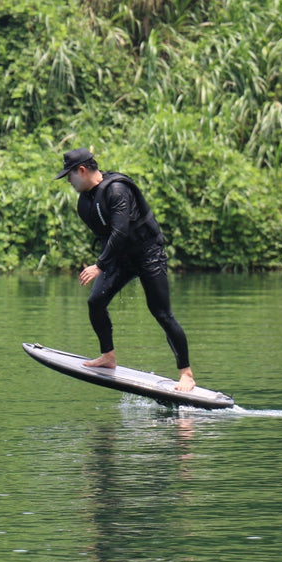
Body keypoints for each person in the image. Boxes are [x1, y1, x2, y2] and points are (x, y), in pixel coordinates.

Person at [54, 147, 196, 392]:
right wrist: (107, 263)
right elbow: (107, 238)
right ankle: (108, 357)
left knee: (162, 313)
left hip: (147, 254)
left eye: (70, 175)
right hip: (121, 258)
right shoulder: (84, 203)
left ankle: (187, 374)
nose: (68, 180)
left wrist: (99, 265)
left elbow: (121, 231)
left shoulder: (118, 190)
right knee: (95, 301)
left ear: (82, 170)